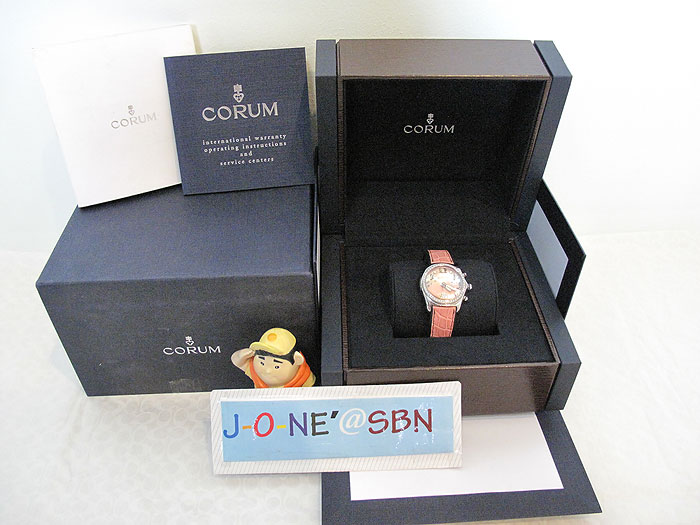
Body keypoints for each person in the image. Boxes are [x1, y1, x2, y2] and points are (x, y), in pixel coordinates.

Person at [231, 328, 315, 388]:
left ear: (297, 360)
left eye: (276, 366)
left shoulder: (304, 377)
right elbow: (237, 362)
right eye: (262, 363)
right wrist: (241, 355)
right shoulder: (256, 375)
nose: (268, 371)